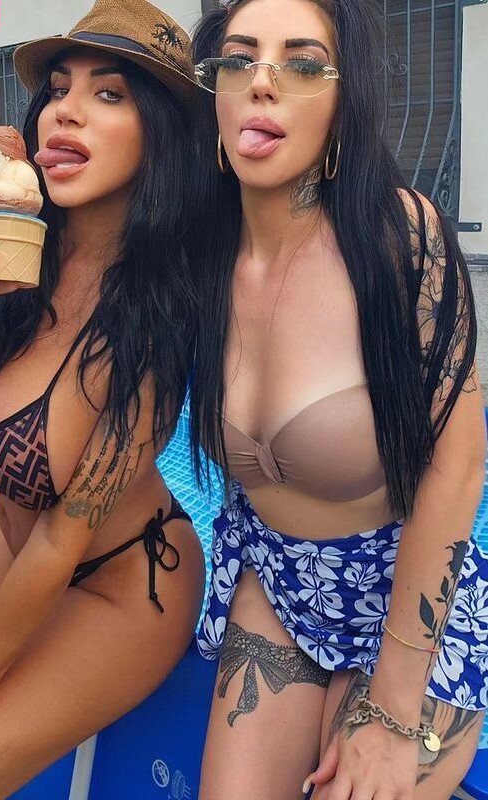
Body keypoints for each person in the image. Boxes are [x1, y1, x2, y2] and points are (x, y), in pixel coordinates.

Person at [0, 1, 205, 797]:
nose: (66, 109)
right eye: (58, 88)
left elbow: (63, 540)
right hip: (9, 540)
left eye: (108, 93)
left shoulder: (156, 312)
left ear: (160, 134)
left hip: (124, 582)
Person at [189, 0, 487, 798]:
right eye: (238, 59)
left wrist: (391, 709)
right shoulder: (197, 255)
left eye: (301, 63)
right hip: (278, 580)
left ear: (342, 99)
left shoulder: (400, 237)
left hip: (407, 594)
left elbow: (457, 467)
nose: (261, 82)